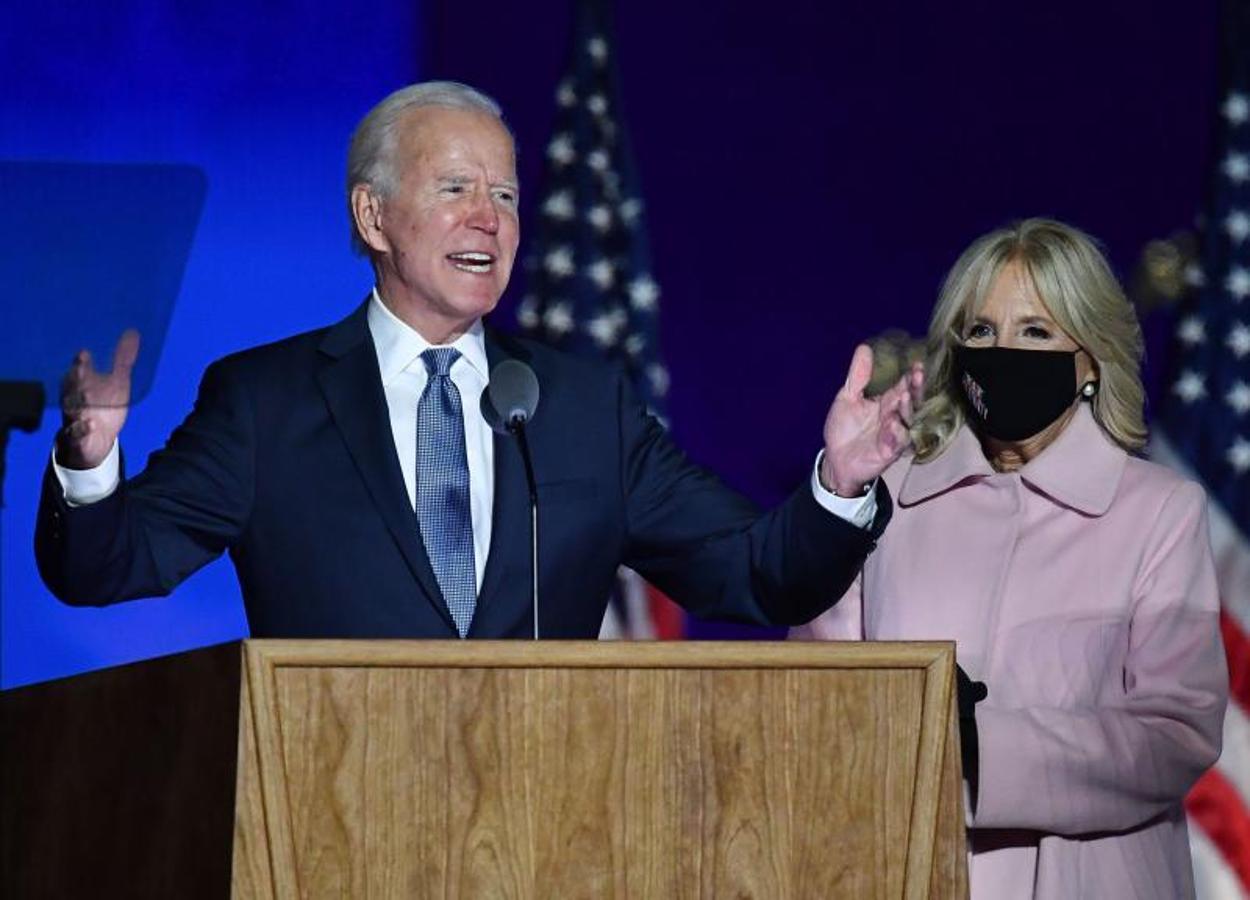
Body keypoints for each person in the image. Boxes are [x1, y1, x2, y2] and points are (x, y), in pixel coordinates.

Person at [36, 81, 922, 639]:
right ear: (374, 217)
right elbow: (107, 567)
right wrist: (88, 465)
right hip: (334, 817)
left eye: (503, 193)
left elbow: (756, 572)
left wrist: (838, 485)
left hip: (543, 825)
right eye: (455, 189)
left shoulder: (581, 407)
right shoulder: (264, 401)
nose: (489, 219)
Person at [793, 218, 1227, 898]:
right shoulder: (894, 496)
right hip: (905, 871)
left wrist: (977, 747)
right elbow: (819, 695)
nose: (1003, 351)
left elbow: (1174, 734)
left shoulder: (1159, 511)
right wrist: (841, 493)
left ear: (1089, 358)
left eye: (1034, 331)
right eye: (981, 331)